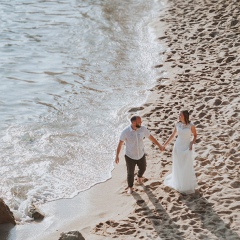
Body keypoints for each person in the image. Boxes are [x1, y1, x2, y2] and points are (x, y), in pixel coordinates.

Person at [115, 115, 164, 194]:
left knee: (143, 168)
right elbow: (120, 143)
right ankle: (130, 187)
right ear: (134, 123)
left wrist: (159, 145)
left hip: (140, 154)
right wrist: (117, 155)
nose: (141, 123)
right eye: (139, 122)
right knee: (130, 173)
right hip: (130, 156)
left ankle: (139, 176)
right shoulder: (125, 132)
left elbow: (151, 137)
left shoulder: (143, 129)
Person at [163, 110, 198, 195]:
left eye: (180, 115)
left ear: (185, 116)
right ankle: (179, 182)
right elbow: (173, 135)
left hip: (186, 147)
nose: (179, 116)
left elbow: (195, 135)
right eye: (179, 115)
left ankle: (185, 184)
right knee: (178, 164)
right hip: (177, 147)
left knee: (186, 165)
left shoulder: (191, 125)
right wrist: (165, 145)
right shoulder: (177, 124)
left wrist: (191, 143)